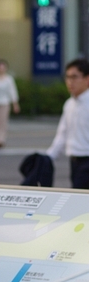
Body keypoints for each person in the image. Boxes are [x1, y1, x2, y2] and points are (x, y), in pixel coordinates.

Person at [46, 59, 89, 189]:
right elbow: (62, 134)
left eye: (75, 77)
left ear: (87, 79)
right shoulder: (69, 104)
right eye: (68, 77)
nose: (70, 82)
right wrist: (48, 157)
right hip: (74, 162)